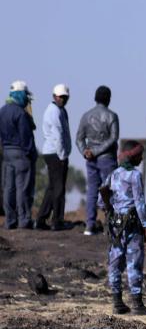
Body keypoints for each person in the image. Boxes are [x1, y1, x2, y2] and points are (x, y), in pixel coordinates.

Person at [100, 140, 146, 315]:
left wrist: (111, 210)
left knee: (114, 263)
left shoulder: (113, 174)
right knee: (134, 263)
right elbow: (140, 203)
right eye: (139, 156)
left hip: (115, 227)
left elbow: (101, 200)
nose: (141, 159)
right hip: (132, 226)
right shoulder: (135, 175)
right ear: (133, 156)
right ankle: (137, 303)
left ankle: (117, 302)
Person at [75, 85, 119, 235]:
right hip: (107, 159)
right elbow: (113, 138)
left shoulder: (85, 116)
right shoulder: (112, 116)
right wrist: (96, 151)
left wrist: (86, 152)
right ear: (109, 99)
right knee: (110, 191)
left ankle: (90, 225)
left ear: (95, 98)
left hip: (91, 159)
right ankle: (111, 225)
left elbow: (79, 139)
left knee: (92, 190)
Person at [0, 80, 37, 229]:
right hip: (21, 154)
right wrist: (31, 154)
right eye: (25, 95)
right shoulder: (21, 113)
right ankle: (24, 220)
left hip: (7, 153)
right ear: (20, 94)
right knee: (23, 188)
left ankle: (10, 220)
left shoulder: (2, 111)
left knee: (9, 188)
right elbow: (26, 137)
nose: (27, 99)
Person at [37, 84, 71, 230]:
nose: (63, 99)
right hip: (56, 153)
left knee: (53, 188)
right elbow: (58, 135)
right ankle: (57, 221)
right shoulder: (54, 112)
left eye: (65, 97)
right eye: (60, 97)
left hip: (53, 152)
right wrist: (62, 156)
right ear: (54, 96)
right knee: (58, 189)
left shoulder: (59, 110)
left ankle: (41, 219)